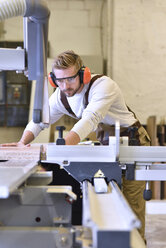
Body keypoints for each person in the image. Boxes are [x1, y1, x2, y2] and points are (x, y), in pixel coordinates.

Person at [1, 50, 150, 240]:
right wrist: (23, 144)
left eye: (70, 79)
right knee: (112, 195)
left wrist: (57, 150)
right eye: (59, 81)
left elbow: (89, 121)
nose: (65, 86)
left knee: (130, 206)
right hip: (108, 145)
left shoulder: (103, 86)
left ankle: (137, 242)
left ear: (83, 74)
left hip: (133, 142)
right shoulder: (61, 95)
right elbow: (40, 120)